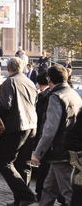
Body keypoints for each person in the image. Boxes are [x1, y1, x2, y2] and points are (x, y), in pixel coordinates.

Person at [32, 65, 82, 206]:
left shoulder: (55, 97)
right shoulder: (74, 94)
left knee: (68, 193)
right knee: (49, 188)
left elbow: (50, 129)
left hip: (60, 152)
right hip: (69, 150)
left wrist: (38, 153)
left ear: (49, 79)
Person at [0, 57, 38, 206]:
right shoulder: (30, 82)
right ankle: (21, 200)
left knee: (3, 161)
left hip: (16, 126)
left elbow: (4, 106)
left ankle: (26, 195)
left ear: (8, 69)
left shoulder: (9, 82)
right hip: (31, 125)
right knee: (24, 163)